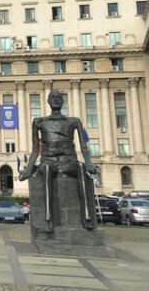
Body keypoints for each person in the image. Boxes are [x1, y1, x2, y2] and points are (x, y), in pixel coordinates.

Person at [19, 90, 97, 231]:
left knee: (81, 167)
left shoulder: (74, 121)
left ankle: (86, 216)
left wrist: (89, 162)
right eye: (53, 97)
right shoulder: (39, 122)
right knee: (48, 170)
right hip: (48, 161)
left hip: (68, 161)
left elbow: (84, 146)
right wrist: (28, 169)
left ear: (63, 101)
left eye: (59, 97)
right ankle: (49, 218)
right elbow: (35, 149)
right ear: (48, 101)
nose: (56, 100)